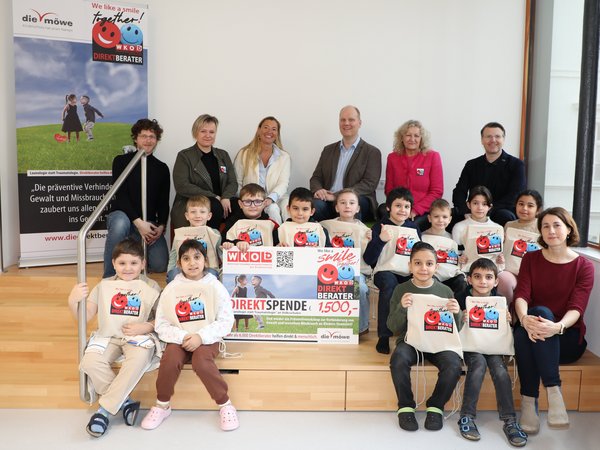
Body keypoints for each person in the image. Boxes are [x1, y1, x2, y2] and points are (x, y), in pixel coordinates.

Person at [141, 239, 239, 431]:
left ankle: (225, 404)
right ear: (179, 264)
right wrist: (183, 337)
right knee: (169, 360)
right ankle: (162, 405)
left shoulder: (215, 286)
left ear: (205, 261)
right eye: (186, 258)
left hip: (208, 339)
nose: (192, 263)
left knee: (201, 362)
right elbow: (161, 323)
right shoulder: (171, 289)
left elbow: (226, 321)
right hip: (180, 338)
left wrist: (200, 337)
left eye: (197, 257)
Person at [68, 238, 160, 437]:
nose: (128, 268)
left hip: (138, 337)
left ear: (143, 264)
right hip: (109, 336)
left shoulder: (151, 285)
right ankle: (125, 403)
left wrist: (145, 326)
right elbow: (85, 317)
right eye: (122, 263)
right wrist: (73, 301)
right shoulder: (104, 285)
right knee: (90, 362)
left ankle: (104, 411)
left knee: (139, 359)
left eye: (134, 263)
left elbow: (162, 319)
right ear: (113, 264)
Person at [513, 207, 594, 433]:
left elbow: (577, 307)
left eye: (557, 225)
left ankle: (536, 396)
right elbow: (521, 295)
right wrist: (523, 318)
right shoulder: (530, 259)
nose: (551, 230)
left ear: (569, 229)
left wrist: (556, 327)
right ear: (540, 231)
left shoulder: (584, 266)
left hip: (566, 337)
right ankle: (545, 395)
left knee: (538, 321)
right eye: (545, 226)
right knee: (532, 321)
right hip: (531, 330)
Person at [387, 241, 462, 432]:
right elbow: (393, 327)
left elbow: (457, 329)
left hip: (438, 342)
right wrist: (402, 308)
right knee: (399, 358)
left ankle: (436, 406)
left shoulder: (445, 291)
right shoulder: (400, 290)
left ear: (436, 267)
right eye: (418, 263)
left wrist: (457, 313)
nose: (423, 268)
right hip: (410, 341)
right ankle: (405, 406)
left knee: (454, 363)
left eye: (429, 263)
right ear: (410, 266)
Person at [456, 258, 528, 447]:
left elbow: (508, 328)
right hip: (471, 346)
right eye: (477, 277)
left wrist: (509, 319)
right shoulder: (460, 298)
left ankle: (510, 420)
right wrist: (460, 318)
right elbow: (449, 326)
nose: (483, 281)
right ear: (469, 279)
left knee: (500, 370)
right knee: (478, 365)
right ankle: (467, 416)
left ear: (496, 281)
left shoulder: (500, 301)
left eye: (488, 277)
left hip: (494, 347)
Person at [103, 118, 170, 278]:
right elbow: (120, 195)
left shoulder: (162, 168)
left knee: (160, 265)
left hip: (148, 223)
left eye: (152, 136)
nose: (148, 140)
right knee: (120, 223)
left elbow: (163, 201)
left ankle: (134, 255)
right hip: (125, 218)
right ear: (135, 138)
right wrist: (138, 222)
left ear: (157, 140)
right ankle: (109, 277)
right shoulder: (121, 161)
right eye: (143, 136)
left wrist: (160, 226)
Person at [363, 187, 420, 354]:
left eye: (406, 206)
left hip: (408, 272)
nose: (402, 210)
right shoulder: (379, 227)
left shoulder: (414, 228)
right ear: (388, 207)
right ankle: (384, 336)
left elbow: (419, 252)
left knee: (420, 287)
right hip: (384, 271)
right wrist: (380, 240)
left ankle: (414, 335)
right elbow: (369, 259)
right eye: (398, 206)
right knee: (389, 285)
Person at [309, 105, 381, 221]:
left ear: (359, 123)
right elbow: (316, 178)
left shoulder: (372, 152)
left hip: (357, 201)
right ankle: (322, 238)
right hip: (328, 201)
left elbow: (369, 184)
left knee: (352, 204)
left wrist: (338, 196)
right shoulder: (328, 150)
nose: (346, 123)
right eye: (343, 120)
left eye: (351, 120)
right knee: (313, 205)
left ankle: (351, 238)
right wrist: (318, 190)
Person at [452, 122, 526, 226]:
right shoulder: (471, 165)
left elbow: (514, 195)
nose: (493, 140)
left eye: (497, 136)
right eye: (488, 136)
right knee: (448, 216)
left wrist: (486, 210)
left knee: (505, 216)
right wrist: (466, 211)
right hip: (473, 210)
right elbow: (459, 191)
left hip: (500, 211)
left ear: (503, 139)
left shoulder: (516, 165)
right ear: (482, 140)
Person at [171, 114, 237, 230]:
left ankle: (230, 244)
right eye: (203, 131)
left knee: (241, 207)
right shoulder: (185, 156)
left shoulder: (223, 155)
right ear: (195, 132)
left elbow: (232, 182)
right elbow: (182, 185)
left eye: (212, 132)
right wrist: (214, 197)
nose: (208, 135)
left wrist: (225, 197)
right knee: (215, 206)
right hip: (193, 205)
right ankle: (210, 244)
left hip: (221, 202)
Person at [321, 188, 372, 335]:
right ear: (336, 207)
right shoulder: (325, 225)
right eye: (342, 203)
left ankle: (361, 328)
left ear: (358, 208)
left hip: (356, 270)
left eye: (351, 203)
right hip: (330, 270)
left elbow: (368, 257)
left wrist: (371, 239)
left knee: (361, 288)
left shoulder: (365, 230)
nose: (347, 206)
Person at [379, 120, 443, 230]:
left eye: (416, 136)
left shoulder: (433, 157)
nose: (412, 139)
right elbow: (389, 189)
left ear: (421, 139)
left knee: (411, 226)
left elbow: (436, 192)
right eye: (408, 135)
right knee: (382, 211)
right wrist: (400, 208)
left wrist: (415, 210)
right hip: (399, 208)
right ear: (401, 138)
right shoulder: (392, 158)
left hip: (422, 210)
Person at [233, 116, 291, 224]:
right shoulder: (244, 153)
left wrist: (270, 198)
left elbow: (284, 183)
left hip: (276, 197)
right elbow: (237, 181)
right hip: (251, 199)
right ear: (259, 130)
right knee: (272, 209)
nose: (270, 131)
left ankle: (290, 236)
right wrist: (248, 200)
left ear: (277, 133)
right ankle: (276, 238)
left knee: (287, 206)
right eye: (266, 127)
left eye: (274, 129)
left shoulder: (284, 157)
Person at [497, 189, 543, 305]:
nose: (524, 208)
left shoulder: (542, 226)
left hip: (533, 274)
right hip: (511, 271)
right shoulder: (509, 225)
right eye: (521, 204)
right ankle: (508, 313)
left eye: (530, 205)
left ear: (538, 210)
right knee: (503, 278)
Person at [166, 195, 221, 283]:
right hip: (184, 268)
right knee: (173, 274)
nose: (197, 215)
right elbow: (173, 254)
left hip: (208, 268)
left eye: (202, 212)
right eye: (193, 212)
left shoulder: (214, 233)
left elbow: (221, 253)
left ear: (209, 216)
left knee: (212, 275)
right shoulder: (181, 233)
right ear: (187, 216)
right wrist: (170, 271)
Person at [451, 185, 504, 273]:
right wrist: (459, 258)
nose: (480, 208)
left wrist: (500, 260)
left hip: (491, 271)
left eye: (484, 204)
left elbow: (499, 255)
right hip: (468, 270)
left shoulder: (498, 228)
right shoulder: (459, 227)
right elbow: (456, 253)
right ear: (469, 204)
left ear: (490, 207)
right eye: (475, 203)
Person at [421, 198, 467, 296]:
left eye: (444, 217)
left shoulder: (452, 238)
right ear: (429, 218)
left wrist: (460, 259)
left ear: (450, 219)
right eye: (436, 216)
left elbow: (455, 258)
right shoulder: (422, 237)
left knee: (461, 281)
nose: (440, 220)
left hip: (450, 275)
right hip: (432, 275)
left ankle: (457, 309)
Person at [222, 183, 279, 250]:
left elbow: (278, 245)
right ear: (240, 204)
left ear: (264, 203)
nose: (252, 206)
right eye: (247, 201)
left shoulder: (272, 225)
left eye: (257, 201)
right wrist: (236, 242)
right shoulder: (232, 223)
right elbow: (224, 241)